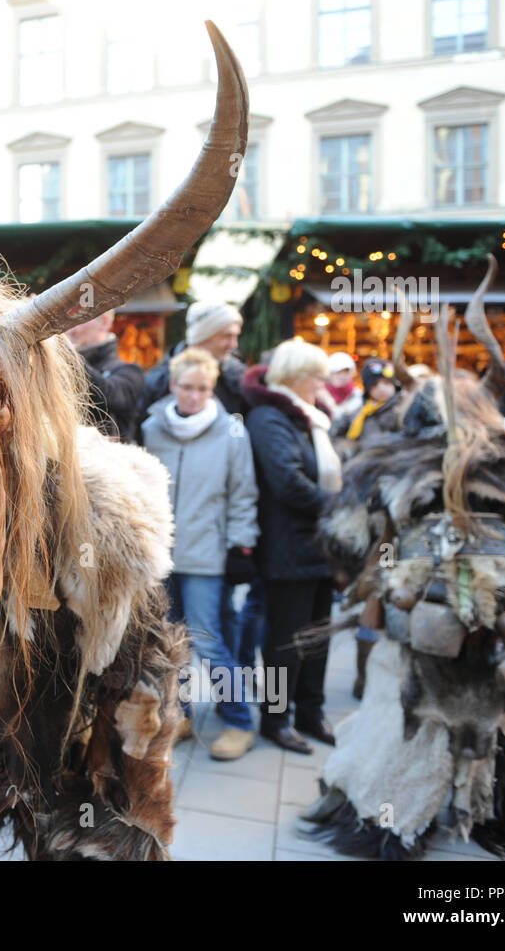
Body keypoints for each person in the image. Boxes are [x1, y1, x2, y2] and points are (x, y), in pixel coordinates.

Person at [141, 347, 259, 760]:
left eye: (203, 389)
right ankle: (181, 715)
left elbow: (243, 494)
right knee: (168, 644)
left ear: (213, 389)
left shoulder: (231, 431)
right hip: (160, 556)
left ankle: (239, 721)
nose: (194, 396)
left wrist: (241, 546)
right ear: (173, 385)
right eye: (187, 387)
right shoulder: (152, 428)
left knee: (208, 642)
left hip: (207, 556)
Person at [243, 338, 342, 755]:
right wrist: (339, 507)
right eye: (317, 377)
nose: (323, 384)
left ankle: (311, 713)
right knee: (288, 641)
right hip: (288, 547)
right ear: (297, 378)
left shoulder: (309, 417)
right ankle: (276, 719)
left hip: (319, 546)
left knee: (321, 635)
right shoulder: (270, 417)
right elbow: (287, 481)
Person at [140, 301, 248, 419]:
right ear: (204, 335)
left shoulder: (238, 376)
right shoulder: (159, 382)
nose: (234, 345)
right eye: (227, 336)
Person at [64, 309, 145, 443]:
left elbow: (109, 395)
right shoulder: (59, 364)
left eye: (78, 319)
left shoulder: (130, 372)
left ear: (105, 322)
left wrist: (63, 351)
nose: (70, 329)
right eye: (64, 320)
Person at [333, 357, 401, 454]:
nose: (381, 389)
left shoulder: (402, 409)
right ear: (368, 390)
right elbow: (337, 436)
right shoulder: (360, 412)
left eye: (386, 383)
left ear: (394, 384)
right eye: (375, 385)